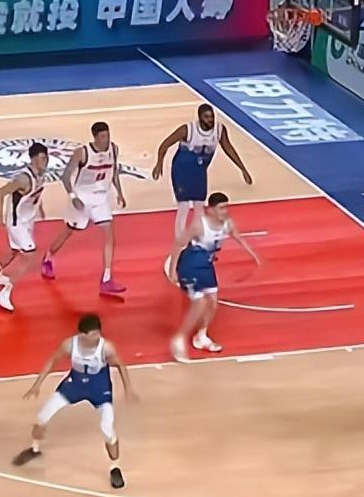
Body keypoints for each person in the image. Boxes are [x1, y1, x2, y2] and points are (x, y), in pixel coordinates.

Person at [12, 314, 136, 489]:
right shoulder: (70, 345)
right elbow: (53, 360)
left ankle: (115, 467)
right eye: (92, 335)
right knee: (42, 417)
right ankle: (34, 449)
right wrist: (37, 385)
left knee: (106, 427)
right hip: (75, 384)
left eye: (97, 334)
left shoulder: (106, 348)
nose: (96, 338)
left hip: (99, 388)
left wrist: (128, 389)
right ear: (82, 334)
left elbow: (120, 365)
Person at [152, 104, 252, 270]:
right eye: (206, 117)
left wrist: (242, 169)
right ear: (199, 118)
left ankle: (199, 244)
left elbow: (228, 148)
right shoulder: (188, 130)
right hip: (182, 170)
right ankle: (180, 245)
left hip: (199, 171)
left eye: (212, 116)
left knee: (199, 208)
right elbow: (164, 145)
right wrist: (159, 163)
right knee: (184, 207)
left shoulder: (219, 130)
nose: (210, 120)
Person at [168, 192, 260, 362]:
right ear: (210, 210)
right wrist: (173, 270)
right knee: (200, 302)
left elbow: (239, 238)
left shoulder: (228, 224)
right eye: (221, 208)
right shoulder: (199, 225)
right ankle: (178, 339)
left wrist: (255, 257)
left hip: (207, 266)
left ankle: (201, 336)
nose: (225, 211)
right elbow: (179, 244)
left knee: (212, 302)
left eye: (226, 207)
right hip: (190, 265)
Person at [39, 122, 128, 296]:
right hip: (82, 198)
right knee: (68, 231)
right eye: (103, 136)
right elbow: (65, 177)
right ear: (95, 137)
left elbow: (114, 172)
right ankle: (48, 257)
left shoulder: (113, 149)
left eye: (108, 135)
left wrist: (119, 192)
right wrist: (73, 197)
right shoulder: (83, 153)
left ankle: (106, 279)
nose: (106, 139)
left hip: (101, 198)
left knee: (109, 235)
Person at [0, 143, 48, 312]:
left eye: (46, 158)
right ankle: (4, 293)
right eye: (42, 158)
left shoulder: (41, 175)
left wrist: (41, 209)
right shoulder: (23, 179)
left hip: (27, 221)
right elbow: (0, 193)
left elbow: (37, 194)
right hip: (16, 222)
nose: (45, 161)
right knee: (29, 254)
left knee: (15, 251)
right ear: (34, 159)